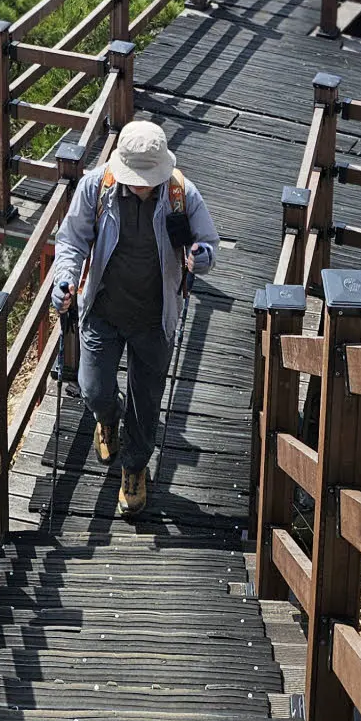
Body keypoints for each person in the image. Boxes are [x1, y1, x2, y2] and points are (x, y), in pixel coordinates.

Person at [50, 118, 221, 518]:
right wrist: (64, 281)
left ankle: (135, 467)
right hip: (103, 309)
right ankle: (108, 418)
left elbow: (208, 243)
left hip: (155, 317)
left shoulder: (181, 194)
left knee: (146, 403)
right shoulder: (96, 187)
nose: (142, 185)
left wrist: (202, 258)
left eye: (149, 178)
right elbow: (71, 240)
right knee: (93, 389)